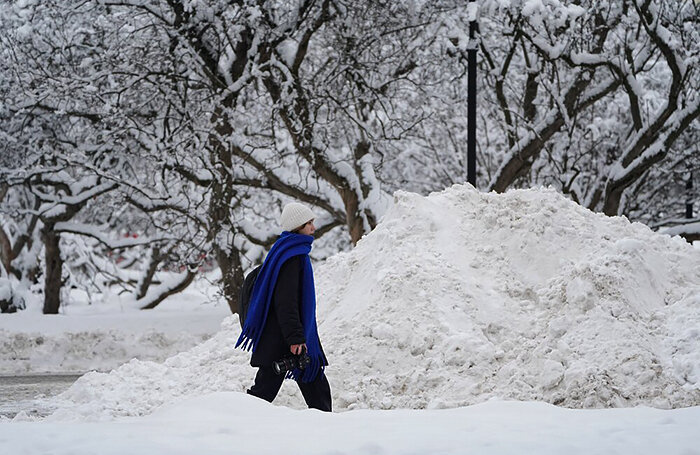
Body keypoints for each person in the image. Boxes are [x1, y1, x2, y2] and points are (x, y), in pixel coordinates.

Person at [236, 202, 332, 412]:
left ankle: (242, 418)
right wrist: (296, 338)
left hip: (279, 336)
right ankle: (239, 419)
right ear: (298, 226)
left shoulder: (285, 251)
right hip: (283, 338)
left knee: (309, 384)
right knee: (267, 391)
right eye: (309, 223)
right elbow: (286, 302)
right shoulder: (292, 257)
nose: (313, 228)